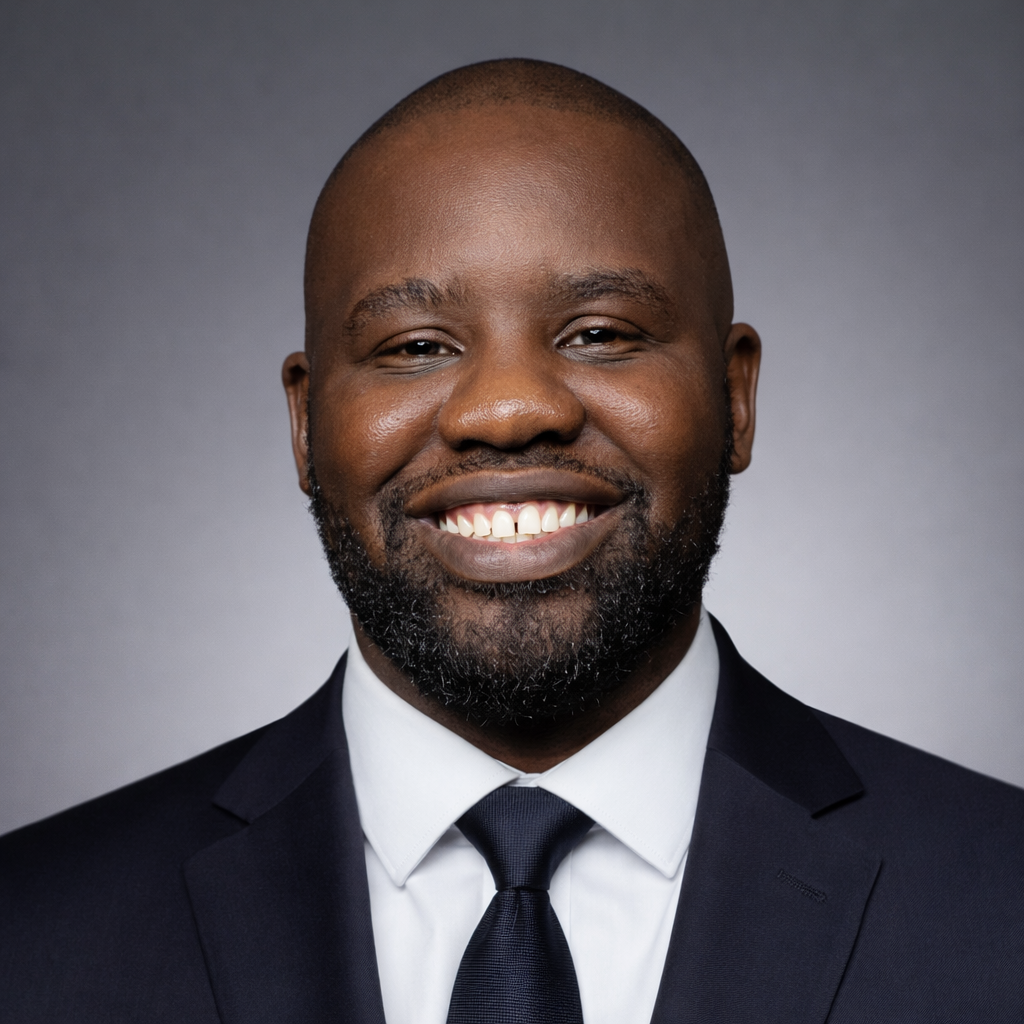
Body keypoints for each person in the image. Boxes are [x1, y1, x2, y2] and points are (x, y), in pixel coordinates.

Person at [0, 58, 1021, 1024]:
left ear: (734, 394)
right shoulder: (34, 934)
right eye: (415, 347)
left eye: (599, 332)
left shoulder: (997, 904)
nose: (505, 409)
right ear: (307, 428)